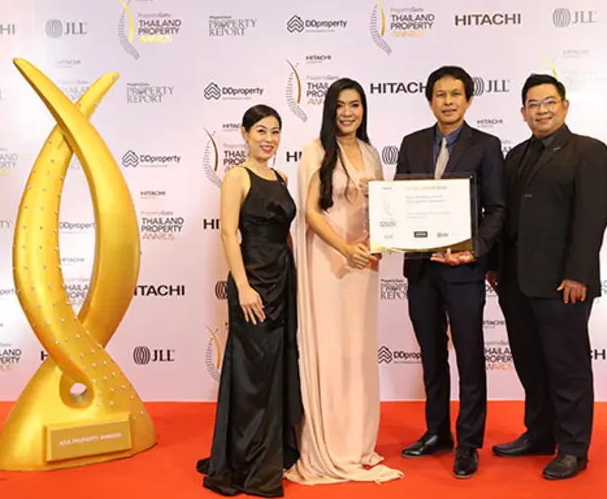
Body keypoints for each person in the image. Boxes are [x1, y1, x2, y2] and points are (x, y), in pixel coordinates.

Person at [487, 74, 607, 480]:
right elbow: (502, 214)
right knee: (530, 364)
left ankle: (573, 447)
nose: (541, 110)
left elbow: (592, 218)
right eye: (533, 104)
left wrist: (577, 274)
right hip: (515, 281)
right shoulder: (515, 155)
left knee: (567, 367)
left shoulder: (588, 151)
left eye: (549, 102)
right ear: (523, 113)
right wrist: (493, 265)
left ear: (565, 106)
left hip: (563, 284)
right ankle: (540, 434)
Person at [285, 78, 403, 485]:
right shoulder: (314, 150)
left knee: (357, 349)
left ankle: (356, 440)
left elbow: (382, 210)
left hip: (364, 264)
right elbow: (311, 213)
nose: (348, 112)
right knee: (330, 348)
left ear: (364, 109)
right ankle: (329, 443)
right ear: (329, 109)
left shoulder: (371, 153)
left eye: (355, 104)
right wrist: (345, 248)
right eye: (340, 105)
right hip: (327, 262)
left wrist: (375, 242)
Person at [395, 65, 506, 478]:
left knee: (470, 356)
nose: (448, 101)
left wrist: (473, 250)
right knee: (431, 355)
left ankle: (469, 442)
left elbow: (497, 209)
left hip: (463, 269)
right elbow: (400, 201)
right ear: (430, 101)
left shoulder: (487, 146)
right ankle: (437, 431)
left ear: (468, 100)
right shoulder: (411, 143)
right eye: (440, 95)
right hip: (421, 268)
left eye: (455, 94)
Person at [196, 105, 303, 497]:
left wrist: (297, 278)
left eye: (275, 131)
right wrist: (243, 286)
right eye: (261, 131)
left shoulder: (281, 177)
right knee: (251, 373)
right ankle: (245, 460)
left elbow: (285, 233)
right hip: (253, 282)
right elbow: (228, 234)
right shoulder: (236, 177)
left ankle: (272, 451)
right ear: (244, 133)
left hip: (282, 281)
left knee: (276, 368)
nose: (269, 139)